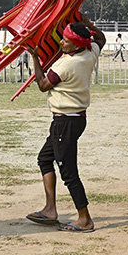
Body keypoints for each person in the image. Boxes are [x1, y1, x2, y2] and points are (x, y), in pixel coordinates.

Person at [24, 12, 106, 233]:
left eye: (66, 40)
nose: (62, 42)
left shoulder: (67, 66)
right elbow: (101, 39)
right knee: (44, 159)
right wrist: (87, 23)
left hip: (66, 123)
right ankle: (50, 209)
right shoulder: (90, 53)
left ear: (76, 45)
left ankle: (85, 219)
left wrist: (35, 57)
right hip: (72, 120)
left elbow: (42, 84)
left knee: (68, 172)